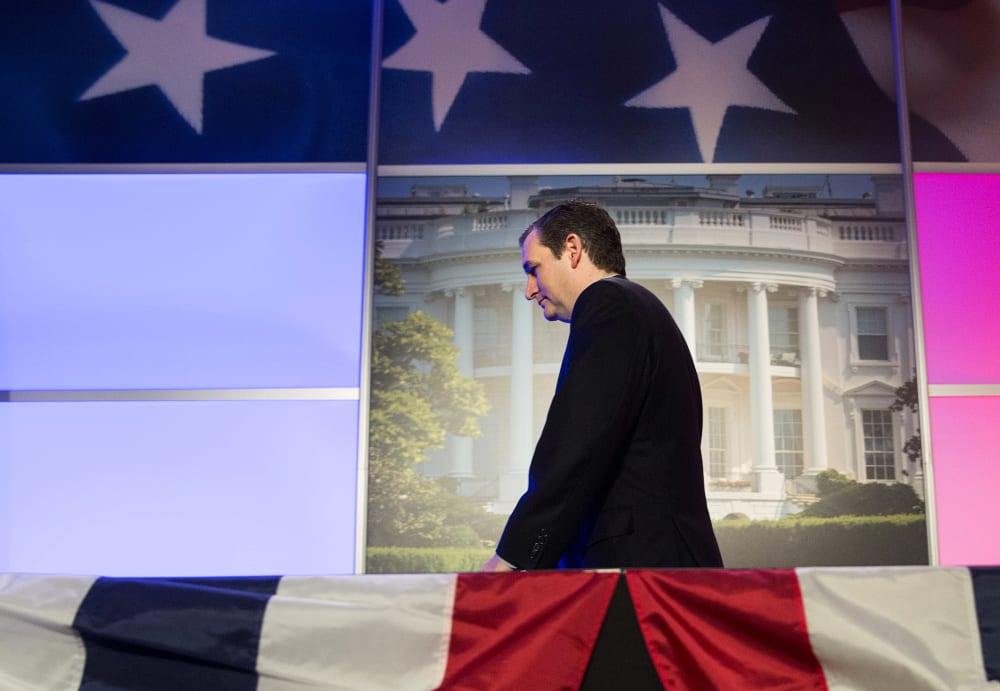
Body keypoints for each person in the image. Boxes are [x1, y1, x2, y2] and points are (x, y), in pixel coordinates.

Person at [482, 200, 723, 571]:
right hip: (659, 562)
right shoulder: (638, 307)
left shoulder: (609, 302)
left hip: (641, 571)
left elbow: (577, 443)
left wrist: (511, 559)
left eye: (534, 269)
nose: (529, 290)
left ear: (573, 249)